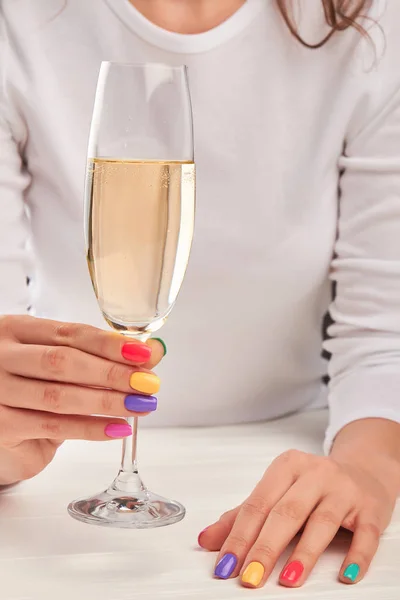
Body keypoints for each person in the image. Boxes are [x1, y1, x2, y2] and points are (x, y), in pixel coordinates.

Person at [0, 0, 399, 590]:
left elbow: (382, 339)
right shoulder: (18, 19)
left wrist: (366, 468)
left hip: (284, 456)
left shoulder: (369, 23)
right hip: (56, 492)